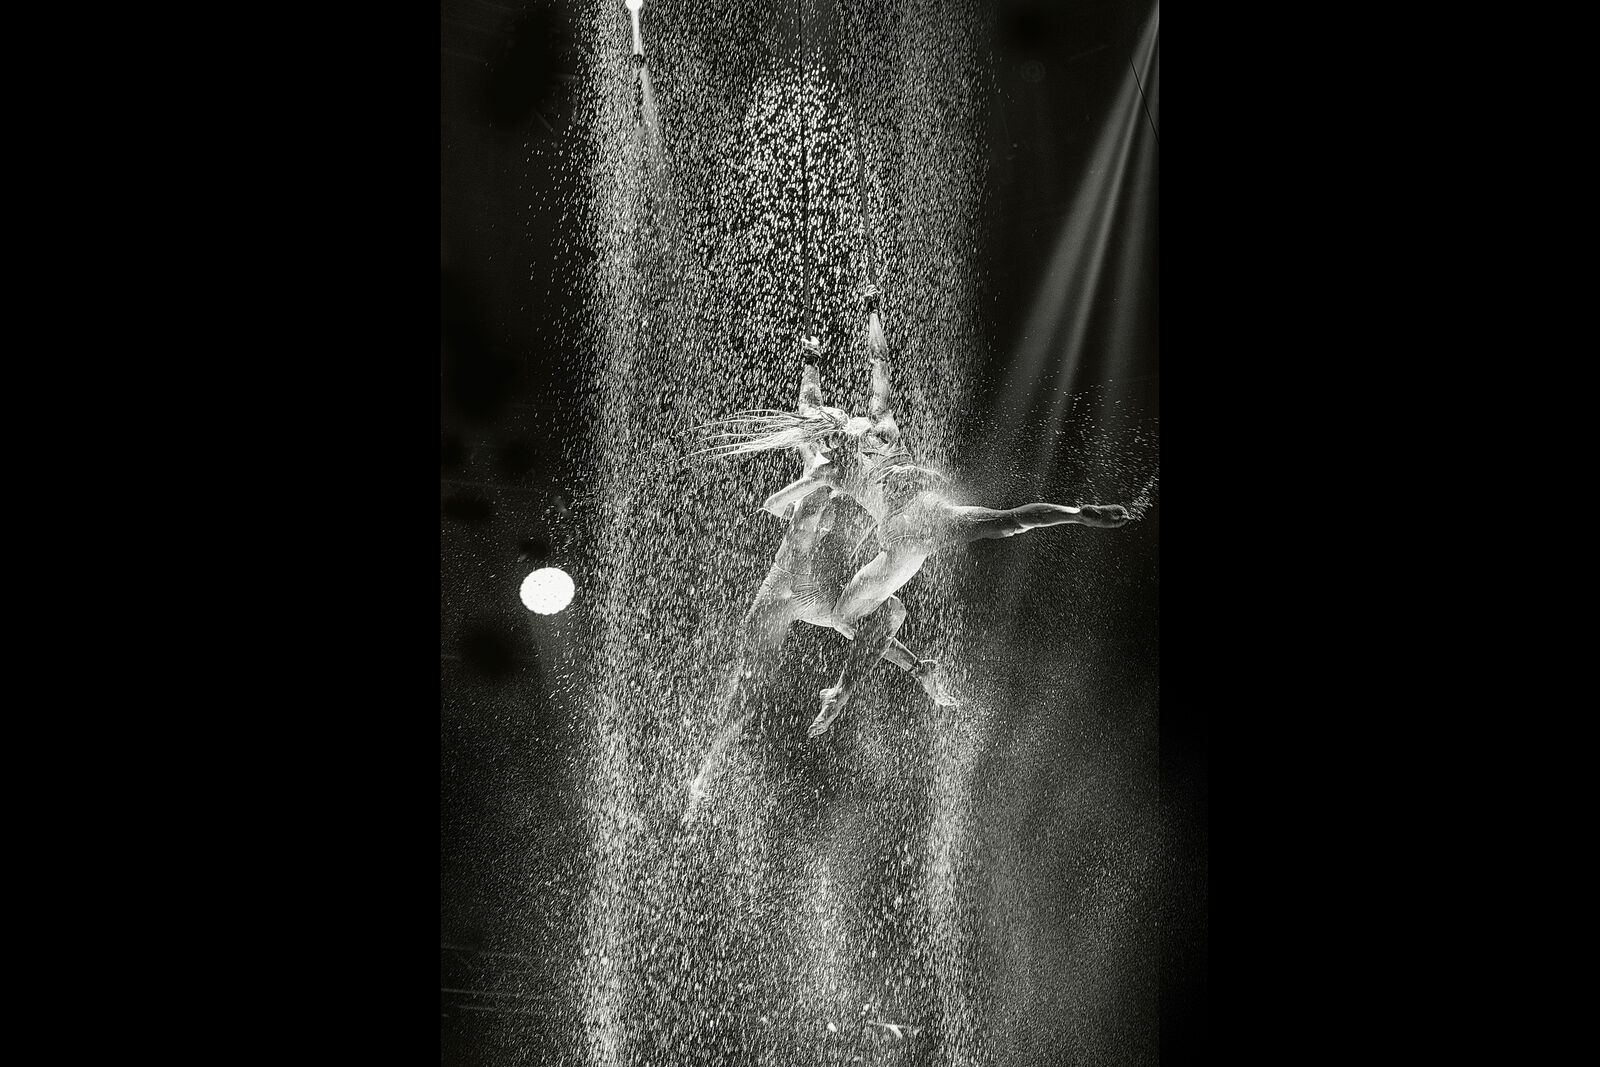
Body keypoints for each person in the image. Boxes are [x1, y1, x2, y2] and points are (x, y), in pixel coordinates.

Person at [699, 288, 1129, 737]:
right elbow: (877, 363)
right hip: (925, 516)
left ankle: (841, 692)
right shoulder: (878, 428)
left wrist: (813, 361)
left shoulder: (834, 468)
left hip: (889, 546)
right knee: (1006, 523)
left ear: (836, 435)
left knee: (858, 617)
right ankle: (1077, 513)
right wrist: (868, 315)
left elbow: (807, 420)